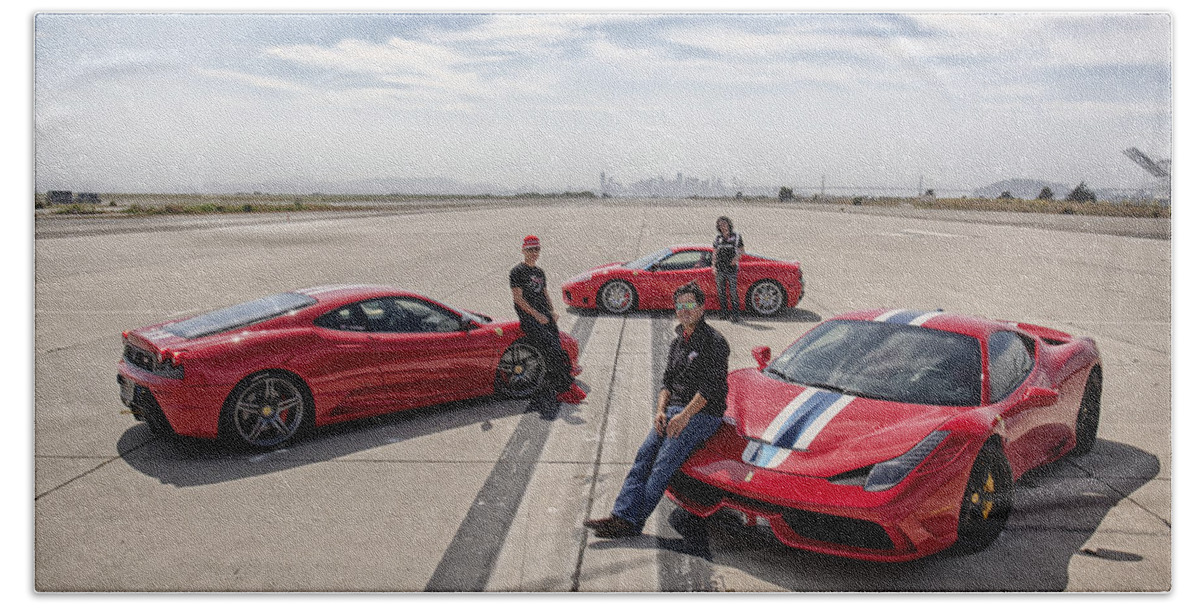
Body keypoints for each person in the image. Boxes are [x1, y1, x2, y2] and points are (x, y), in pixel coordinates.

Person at [584, 281, 729, 538]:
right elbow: (667, 383)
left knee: (662, 464)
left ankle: (631, 523)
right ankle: (620, 515)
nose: (684, 310)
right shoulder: (677, 343)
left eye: (689, 304)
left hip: (703, 414)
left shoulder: (715, 342)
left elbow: (710, 389)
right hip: (673, 411)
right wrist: (660, 411)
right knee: (644, 456)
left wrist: (684, 417)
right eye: (680, 305)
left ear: (702, 307)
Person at [510, 235, 581, 418]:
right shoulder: (517, 271)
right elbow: (518, 299)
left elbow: (544, 293)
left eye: (537, 250)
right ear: (523, 250)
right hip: (530, 318)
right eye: (530, 250)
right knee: (551, 349)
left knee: (558, 347)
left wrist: (552, 310)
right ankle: (559, 388)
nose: (534, 253)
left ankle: (564, 384)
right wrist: (537, 315)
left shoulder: (540, 272)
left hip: (544, 315)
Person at [711, 216, 745, 322]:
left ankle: (735, 315)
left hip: (731, 269)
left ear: (729, 224)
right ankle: (724, 313)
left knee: (733, 293)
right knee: (721, 292)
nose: (723, 226)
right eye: (720, 225)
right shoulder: (718, 238)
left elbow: (741, 250)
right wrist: (713, 266)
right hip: (720, 269)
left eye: (724, 224)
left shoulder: (736, 236)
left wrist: (736, 258)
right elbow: (714, 253)